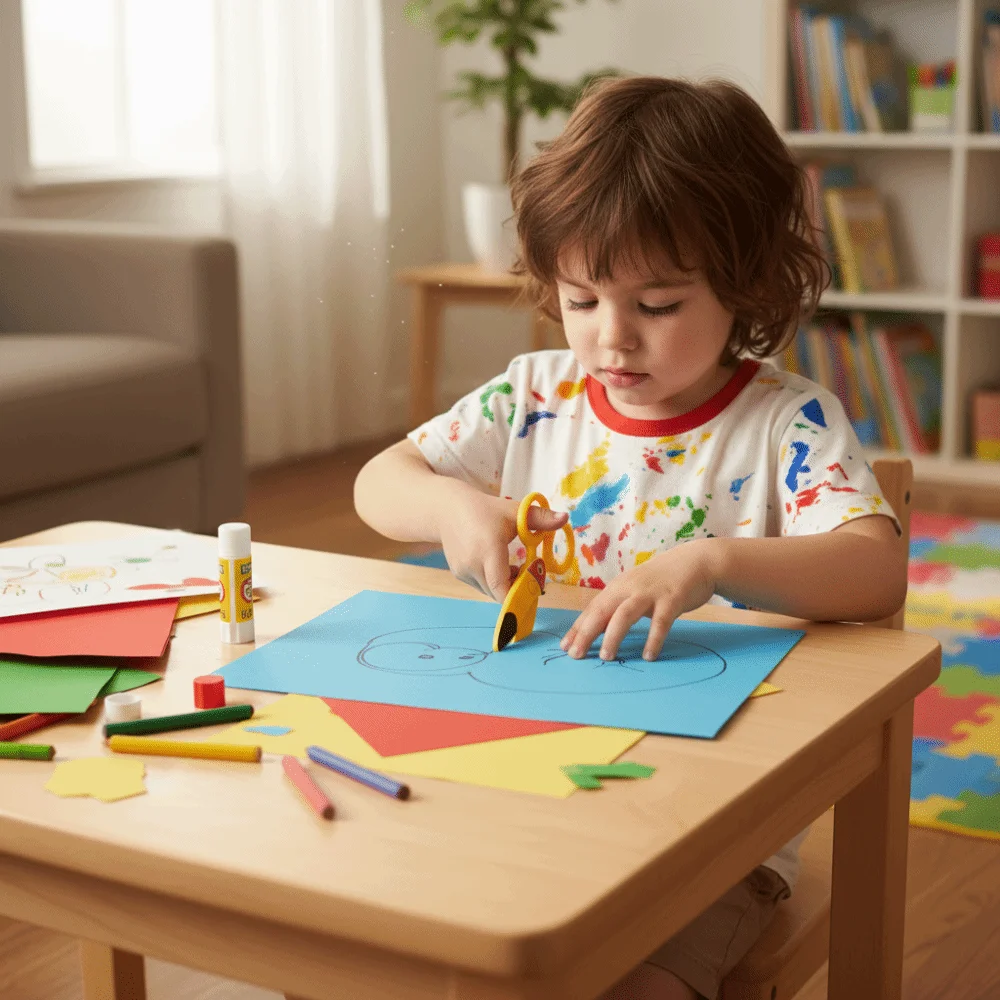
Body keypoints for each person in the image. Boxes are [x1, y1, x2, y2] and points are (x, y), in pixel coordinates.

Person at [354, 75, 907, 1000]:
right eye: (581, 301)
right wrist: (454, 508)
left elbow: (875, 568)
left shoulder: (786, 424)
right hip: (521, 779)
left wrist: (712, 561)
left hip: (715, 823)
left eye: (657, 306)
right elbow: (381, 482)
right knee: (360, 938)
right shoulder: (534, 396)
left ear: (748, 283)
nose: (612, 340)